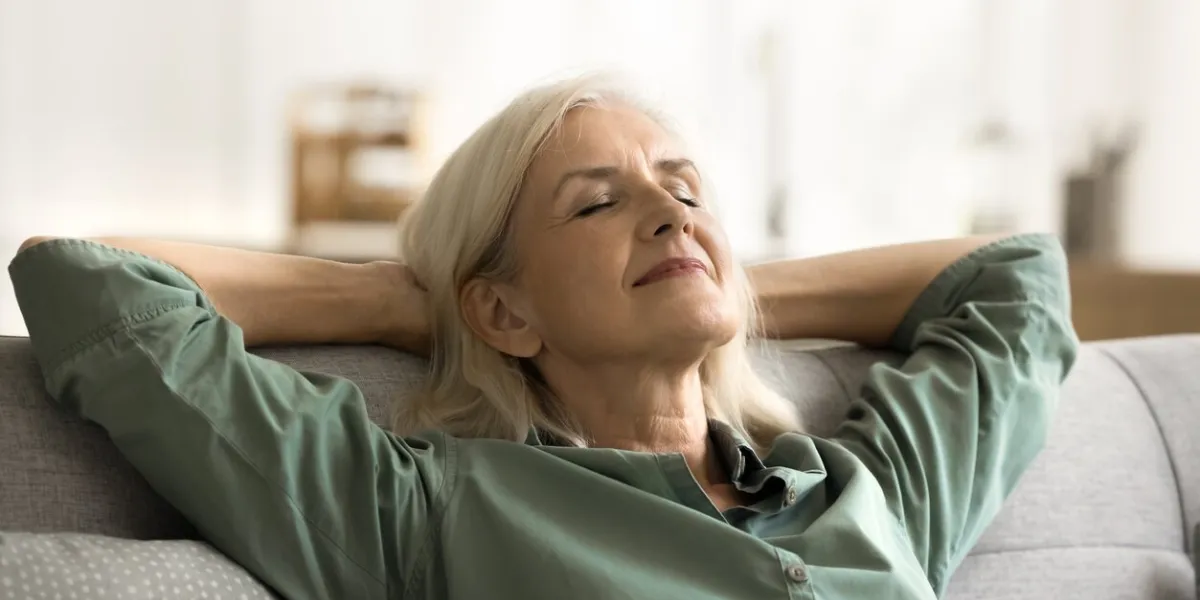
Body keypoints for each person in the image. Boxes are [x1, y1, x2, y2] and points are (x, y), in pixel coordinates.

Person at [9, 74, 1078, 599]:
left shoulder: (864, 489)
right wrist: (408, 299)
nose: (670, 213)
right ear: (503, 311)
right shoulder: (425, 511)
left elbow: (1015, 282)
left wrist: (716, 281)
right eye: (597, 203)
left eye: (686, 190)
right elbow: (89, 284)